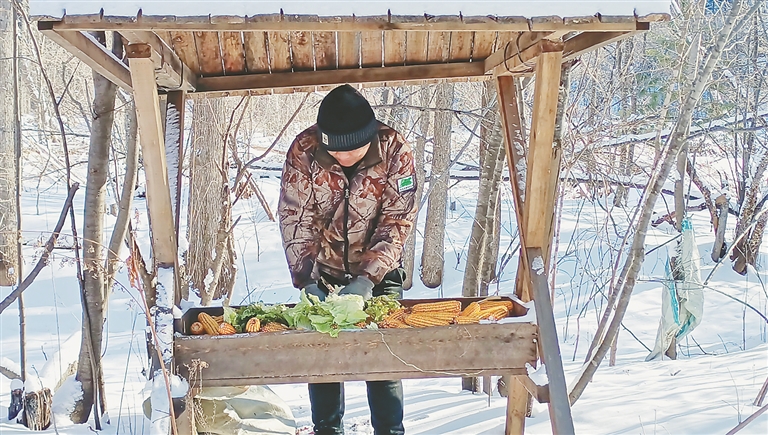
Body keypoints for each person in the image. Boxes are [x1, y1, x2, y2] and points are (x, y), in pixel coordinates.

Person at [278, 84, 417, 435]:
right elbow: (295, 217)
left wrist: (367, 279)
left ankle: (390, 431)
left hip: (378, 272)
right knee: (323, 359)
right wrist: (306, 279)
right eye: (336, 151)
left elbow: (397, 220)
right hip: (321, 271)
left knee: (381, 359)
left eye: (353, 150)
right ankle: (326, 430)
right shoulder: (305, 150)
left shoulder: (394, 148)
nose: (344, 158)